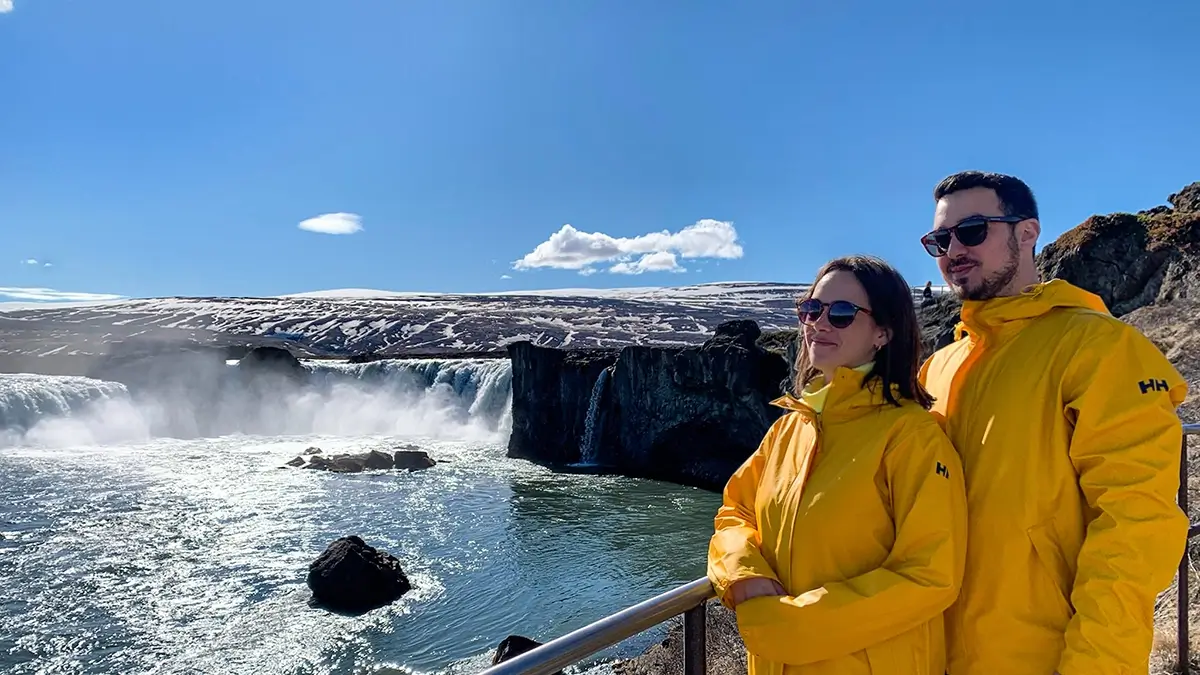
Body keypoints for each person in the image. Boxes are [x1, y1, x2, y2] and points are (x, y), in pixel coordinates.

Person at [917, 170, 1190, 675]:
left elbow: (1135, 531)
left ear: (1027, 233)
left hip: (1047, 657)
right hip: (934, 653)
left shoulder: (1101, 348)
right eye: (940, 238)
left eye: (973, 229)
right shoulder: (939, 366)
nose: (953, 248)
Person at [708, 254, 967, 674]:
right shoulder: (789, 430)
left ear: (883, 332)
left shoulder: (911, 437)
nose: (819, 323)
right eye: (811, 308)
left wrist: (795, 625)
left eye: (842, 313)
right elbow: (735, 511)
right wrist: (743, 574)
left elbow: (931, 575)